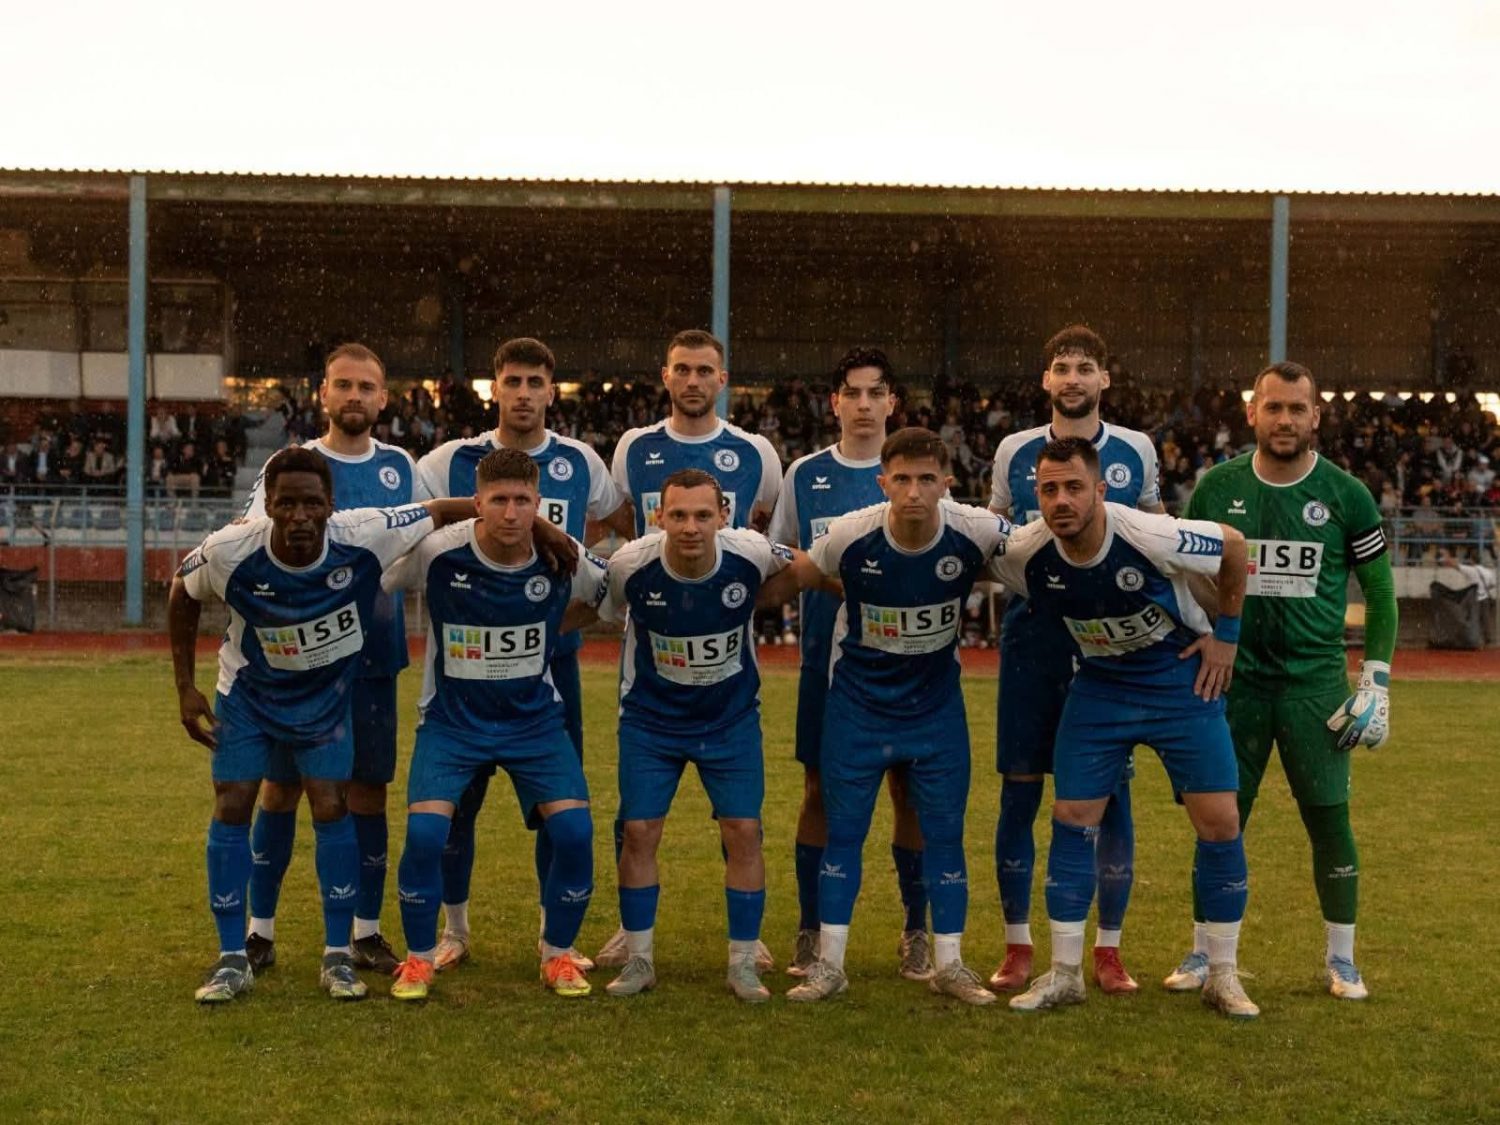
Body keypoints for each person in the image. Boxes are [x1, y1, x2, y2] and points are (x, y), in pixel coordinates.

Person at [168, 447, 471, 1003]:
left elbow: (439, 510)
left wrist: (540, 529)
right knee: (233, 804)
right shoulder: (230, 549)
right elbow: (180, 592)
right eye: (286, 504)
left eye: (312, 503)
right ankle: (232, 957)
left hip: (325, 702)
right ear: (268, 506)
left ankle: (337, 956)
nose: (300, 516)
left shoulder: (366, 532)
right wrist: (186, 686)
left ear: (332, 504)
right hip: (250, 696)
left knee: (332, 806)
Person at [989, 437, 1258, 1019]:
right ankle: (1065, 974)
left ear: (1101, 489)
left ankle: (1223, 975)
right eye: (1049, 490)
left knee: (1220, 821)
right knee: (1071, 817)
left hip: (1178, 680)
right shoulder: (1028, 550)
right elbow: (972, 550)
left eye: (1074, 487)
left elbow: (1234, 546)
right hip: (1101, 686)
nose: (1061, 500)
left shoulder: (1148, 533)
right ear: (1036, 494)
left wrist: (1227, 638)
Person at [1167, 361, 1398, 1001]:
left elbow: (1381, 592)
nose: (1286, 419)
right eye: (1274, 407)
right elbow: (1184, 570)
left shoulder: (1347, 494)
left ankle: (1342, 960)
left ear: (1316, 416)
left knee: (1329, 821)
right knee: (1220, 820)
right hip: (1232, 684)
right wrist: (1208, 629)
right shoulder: (1218, 488)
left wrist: (1375, 681)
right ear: (1252, 413)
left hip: (1314, 687)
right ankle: (1202, 950)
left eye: (1298, 408)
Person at [415, 337, 633, 973]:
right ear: (496, 388)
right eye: (512, 381)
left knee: (555, 807)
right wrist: (535, 526)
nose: (524, 393)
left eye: (536, 382)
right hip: (461, 666)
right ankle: (454, 930)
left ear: (551, 392)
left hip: (551, 666)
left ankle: (551, 936)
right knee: (456, 808)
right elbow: (416, 527)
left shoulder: (581, 460)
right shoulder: (449, 460)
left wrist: (544, 616)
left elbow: (621, 528)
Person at [786, 428, 1012, 1006]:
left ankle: (950, 964)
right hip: (858, 706)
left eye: (926, 479)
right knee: (844, 830)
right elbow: (800, 573)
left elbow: (1032, 555)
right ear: (882, 482)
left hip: (935, 709)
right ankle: (829, 965)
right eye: (903, 479)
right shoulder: (849, 534)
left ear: (947, 483)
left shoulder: (977, 529)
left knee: (945, 832)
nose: (914, 491)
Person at [382, 448, 607, 1002]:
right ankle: (420, 958)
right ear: (477, 503)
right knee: (427, 835)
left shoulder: (562, 556)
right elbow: (381, 576)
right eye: (499, 500)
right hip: (452, 723)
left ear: (539, 504)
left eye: (522, 501)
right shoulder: (439, 552)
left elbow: (607, 596)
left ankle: (556, 953)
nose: (510, 513)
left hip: (534, 723)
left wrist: (551, 627)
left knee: (575, 833)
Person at [596, 328, 783, 971]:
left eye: (706, 370)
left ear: (722, 380)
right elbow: (619, 519)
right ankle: (631, 931)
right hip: (653, 644)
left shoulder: (756, 452)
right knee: (637, 818)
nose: (694, 380)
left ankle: (747, 935)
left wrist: (728, 598)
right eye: (683, 369)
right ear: (666, 376)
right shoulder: (634, 447)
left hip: (725, 650)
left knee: (741, 820)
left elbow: (762, 534)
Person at [987, 325, 1163, 995]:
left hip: (1108, 644)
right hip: (1033, 638)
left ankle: (1108, 950)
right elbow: (996, 537)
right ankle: (1018, 944)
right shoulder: (1014, 449)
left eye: (1085, 367)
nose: (1073, 378)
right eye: (1062, 367)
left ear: (1104, 379)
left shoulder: (1137, 449)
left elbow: (1157, 538)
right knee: (1020, 789)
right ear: (1046, 380)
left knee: (1110, 796)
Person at [239, 343, 425, 978]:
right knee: (282, 789)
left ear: (383, 398)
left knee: (368, 792)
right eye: (343, 384)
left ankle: (364, 932)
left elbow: (423, 537)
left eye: (366, 387)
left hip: (372, 660)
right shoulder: (291, 465)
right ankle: (258, 932)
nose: (354, 396)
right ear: (323, 393)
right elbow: (249, 542)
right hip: (300, 667)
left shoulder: (401, 467)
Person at [582, 469, 802, 1002]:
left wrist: (759, 599)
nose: (690, 526)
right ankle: (639, 960)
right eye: (678, 515)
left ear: (723, 516)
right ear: (658, 516)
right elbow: (597, 609)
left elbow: (806, 568)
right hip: (651, 721)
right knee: (639, 832)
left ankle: (743, 964)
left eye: (703, 515)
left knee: (743, 831)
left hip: (730, 720)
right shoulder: (630, 563)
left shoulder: (750, 550)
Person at [767, 348, 933, 980]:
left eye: (875, 393)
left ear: (893, 402)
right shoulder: (804, 475)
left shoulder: (912, 472)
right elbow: (786, 557)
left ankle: (915, 930)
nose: (864, 405)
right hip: (826, 663)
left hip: (907, 664)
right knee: (819, 791)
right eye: (852, 393)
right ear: (834, 402)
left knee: (909, 794)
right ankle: (811, 929)